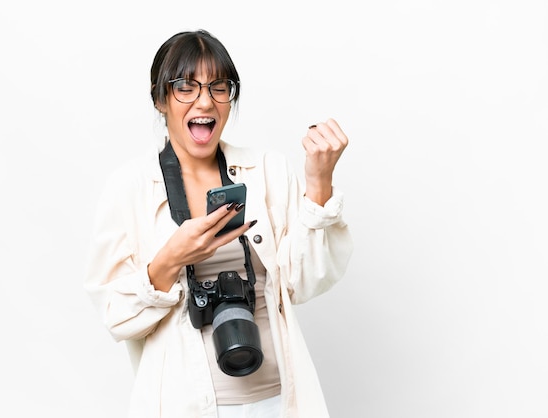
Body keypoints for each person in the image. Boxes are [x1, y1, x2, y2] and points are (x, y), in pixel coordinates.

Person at [84, 29, 353, 418]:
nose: (205, 101)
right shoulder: (130, 188)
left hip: (280, 403)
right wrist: (172, 258)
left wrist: (319, 184)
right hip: (184, 406)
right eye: (185, 87)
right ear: (159, 98)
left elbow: (306, 281)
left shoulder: (266, 170)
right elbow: (116, 316)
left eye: (219, 87)